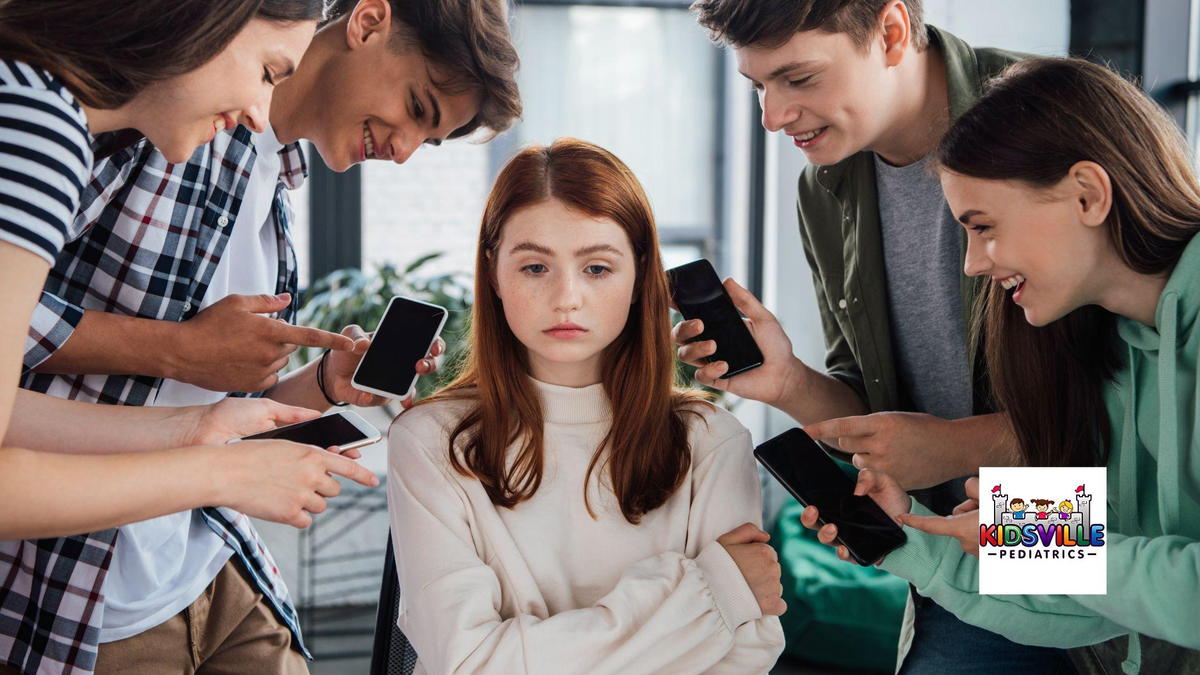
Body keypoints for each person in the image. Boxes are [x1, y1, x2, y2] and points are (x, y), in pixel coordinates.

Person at [8, 0, 519, 671]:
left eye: (428, 141)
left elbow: (207, 412)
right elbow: (22, 313)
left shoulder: (277, 181)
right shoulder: (158, 115)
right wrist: (173, 347)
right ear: (368, 23)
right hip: (96, 589)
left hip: (214, 561)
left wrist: (327, 384)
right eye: (418, 109)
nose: (402, 153)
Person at [683, 0, 1069, 671]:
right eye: (757, 87)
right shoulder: (825, 188)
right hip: (948, 544)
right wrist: (789, 382)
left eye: (799, 79)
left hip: (1074, 528)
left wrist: (952, 448)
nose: (773, 117)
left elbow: (1138, 408)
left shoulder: (1049, 117)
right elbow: (876, 414)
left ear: (891, 32)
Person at [804, 57, 1200, 674]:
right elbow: (1104, 579)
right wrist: (910, 535)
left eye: (983, 227)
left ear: (1088, 194)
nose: (972, 264)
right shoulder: (1119, 350)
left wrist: (1016, 536)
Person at [387, 138, 785, 673]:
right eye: (535, 268)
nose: (566, 297)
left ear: (641, 275)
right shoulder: (432, 440)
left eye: (597, 268)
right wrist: (713, 595)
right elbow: (467, 663)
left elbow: (744, 657)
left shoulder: (711, 440)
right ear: (494, 272)